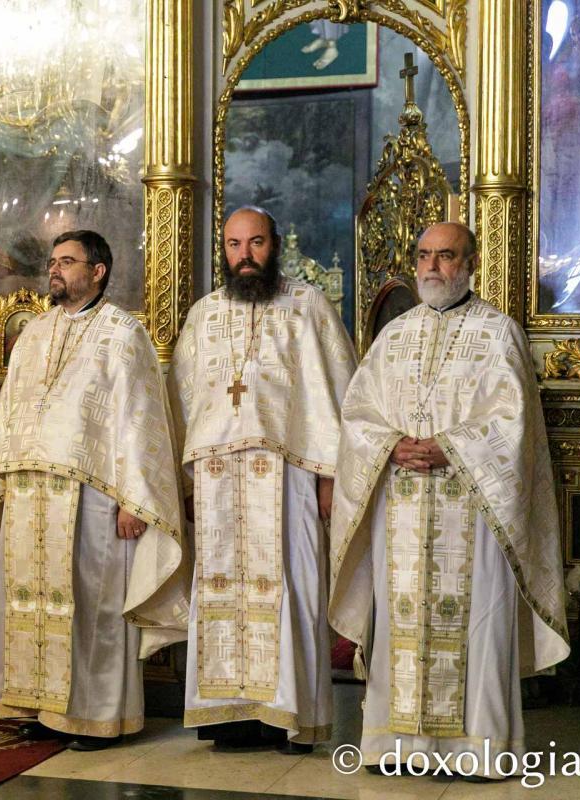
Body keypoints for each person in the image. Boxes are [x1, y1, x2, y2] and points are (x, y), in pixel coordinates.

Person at [330, 222, 570, 776]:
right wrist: (391, 445)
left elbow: (514, 426)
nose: (433, 267)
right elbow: (359, 414)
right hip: (403, 511)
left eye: (446, 256)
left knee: (477, 624)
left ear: (470, 263)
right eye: (424, 256)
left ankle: (477, 751)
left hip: (476, 510)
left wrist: (451, 447)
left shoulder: (498, 332)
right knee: (400, 623)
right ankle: (397, 747)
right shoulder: (394, 336)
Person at [0, 230, 188, 751]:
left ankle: (94, 716)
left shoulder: (123, 334)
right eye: (53, 262)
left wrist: (136, 501)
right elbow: (9, 414)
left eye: (68, 261)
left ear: (99, 270)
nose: (55, 270)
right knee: (29, 604)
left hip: (93, 497)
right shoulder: (36, 334)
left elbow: (139, 419)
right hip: (27, 493)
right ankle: (38, 708)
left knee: (92, 608)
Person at [168, 207, 355, 752]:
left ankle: (290, 717)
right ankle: (228, 715)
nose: (243, 255)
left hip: (289, 475)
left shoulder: (307, 307)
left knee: (291, 591)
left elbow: (333, 393)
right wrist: (186, 484)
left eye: (254, 243)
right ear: (222, 249)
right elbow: (182, 401)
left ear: (275, 245)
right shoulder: (204, 315)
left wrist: (329, 479)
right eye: (232, 245)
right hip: (218, 479)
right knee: (221, 591)